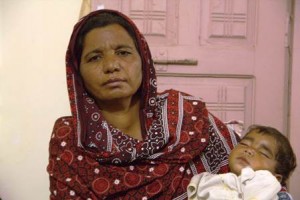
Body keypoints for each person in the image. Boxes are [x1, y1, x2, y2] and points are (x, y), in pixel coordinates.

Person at [187, 125, 297, 200]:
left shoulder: (266, 184)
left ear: (275, 179)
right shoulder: (208, 180)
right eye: (244, 144)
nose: (249, 150)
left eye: (263, 153)